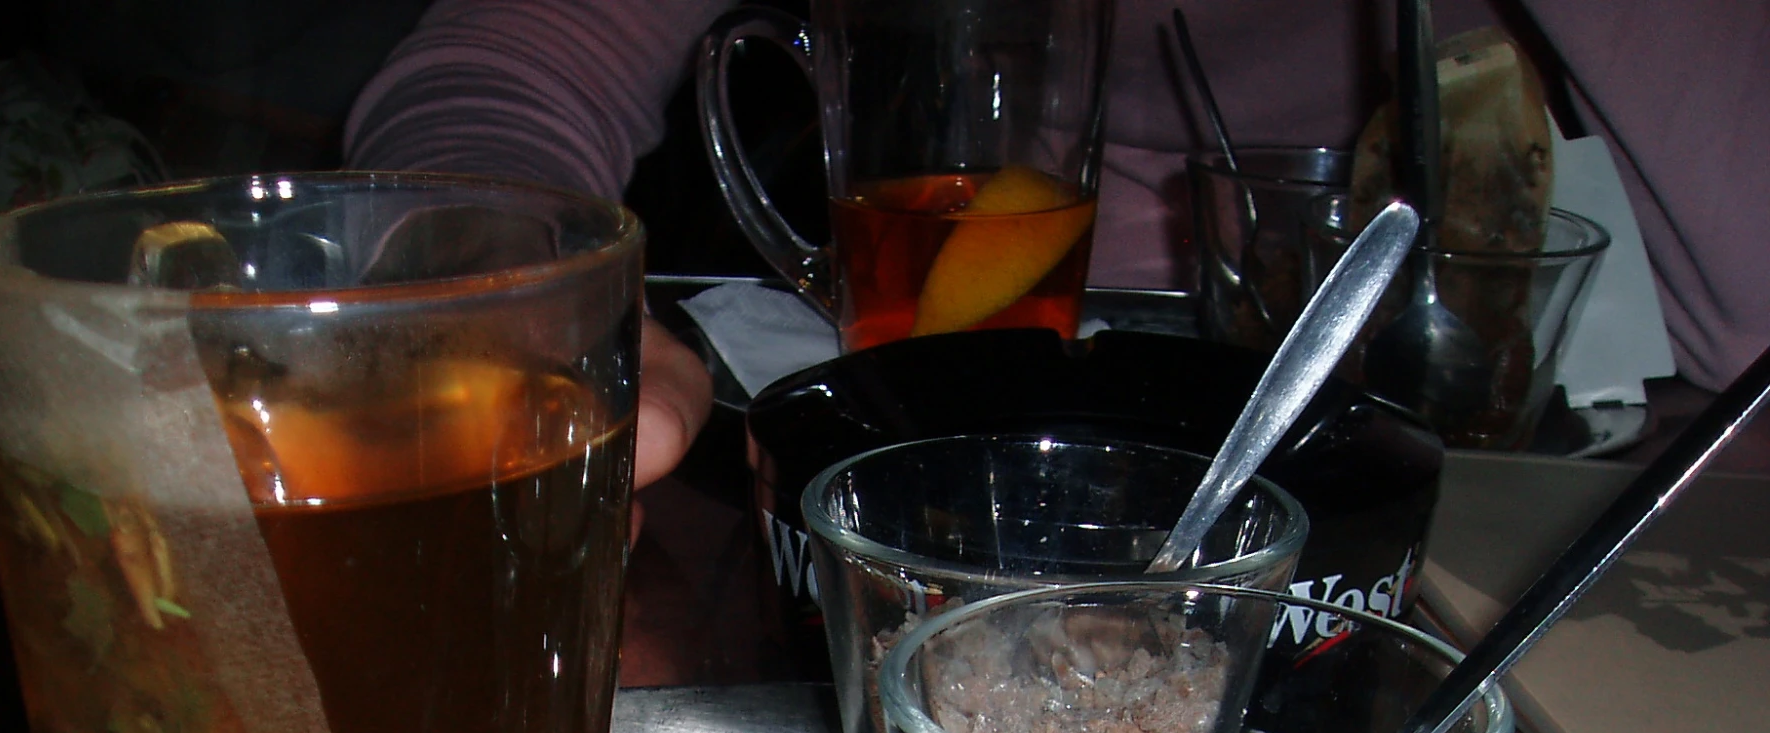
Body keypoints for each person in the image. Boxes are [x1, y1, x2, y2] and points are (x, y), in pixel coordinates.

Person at [345, 0, 1768, 411]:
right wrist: (502, 283)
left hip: (1420, 432)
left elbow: (1746, 309)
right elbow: (506, 65)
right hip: (941, 403)